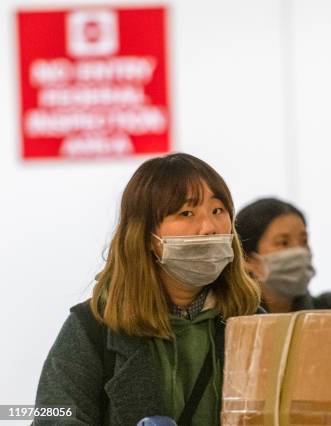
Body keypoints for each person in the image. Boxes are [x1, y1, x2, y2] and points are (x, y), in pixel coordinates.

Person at [34, 153, 261, 425]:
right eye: (186, 213)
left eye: (217, 211)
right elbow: (55, 416)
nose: (208, 228)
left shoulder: (253, 322)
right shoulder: (94, 328)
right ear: (146, 236)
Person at [235, 197, 331, 313]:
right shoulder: (229, 319)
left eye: (304, 241)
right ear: (249, 260)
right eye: (283, 242)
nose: (299, 250)